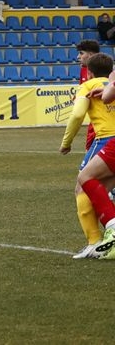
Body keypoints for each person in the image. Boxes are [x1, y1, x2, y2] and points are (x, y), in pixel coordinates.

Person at [59, 52, 115, 259]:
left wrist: (66, 143)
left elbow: (76, 115)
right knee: (100, 191)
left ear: (89, 72)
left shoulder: (88, 85)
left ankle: (94, 241)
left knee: (82, 187)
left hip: (106, 140)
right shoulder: (110, 85)